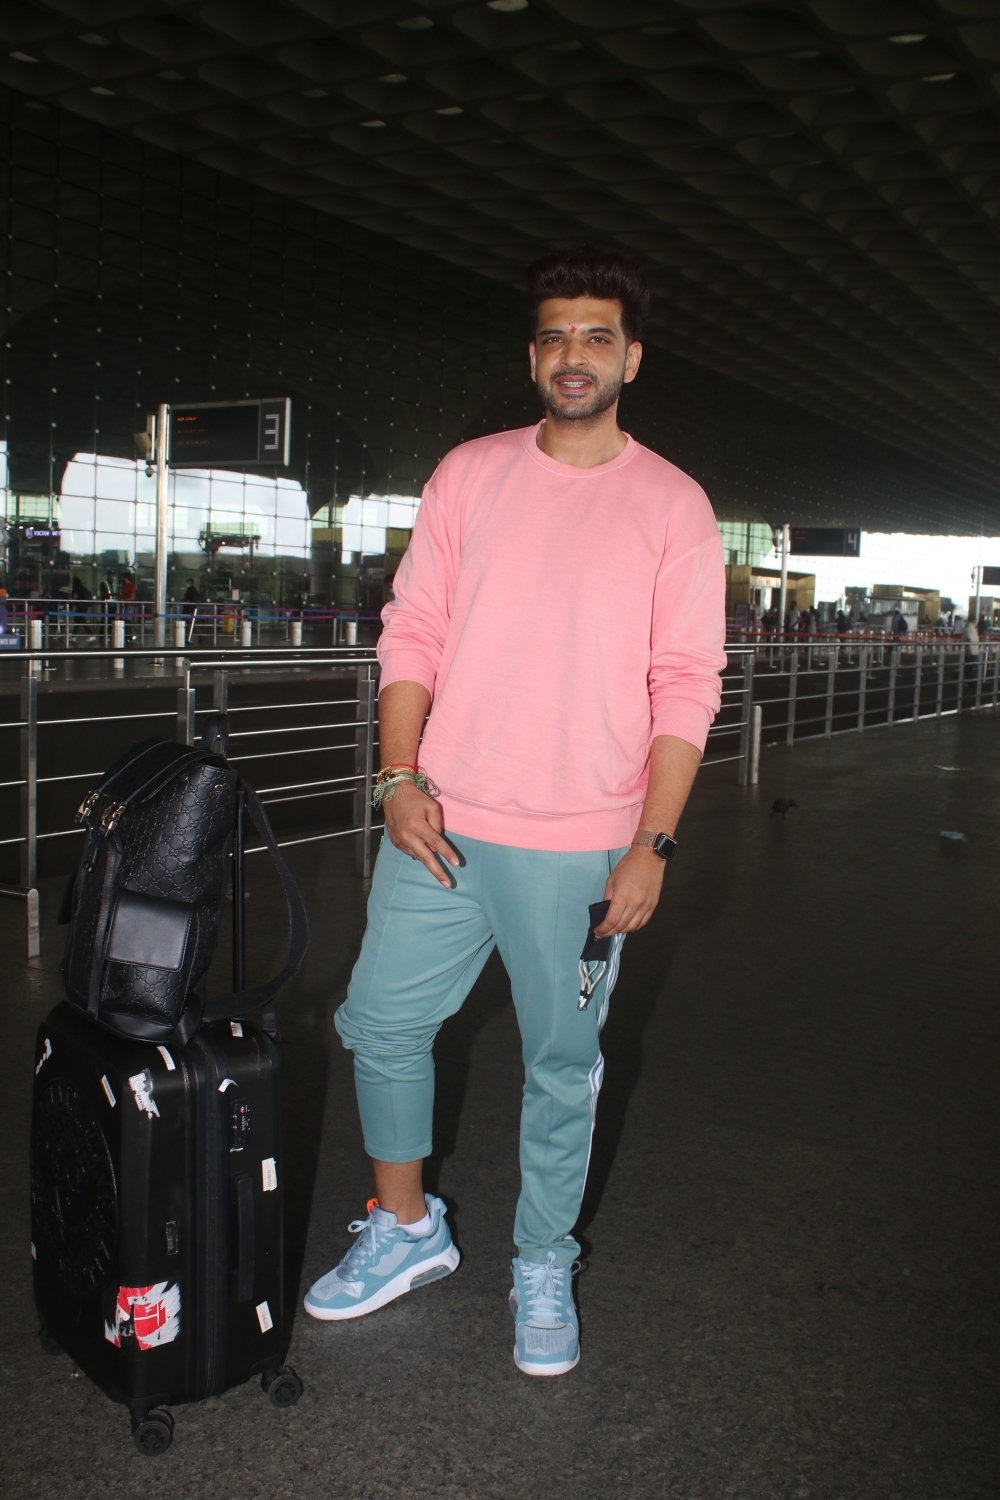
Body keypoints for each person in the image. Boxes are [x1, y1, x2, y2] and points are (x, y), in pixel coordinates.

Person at [303, 246, 726, 1377]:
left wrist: (652, 843)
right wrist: (397, 779)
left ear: (631, 358)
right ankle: (405, 1229)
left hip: (581, 846)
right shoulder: (468, 474)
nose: (572, 354)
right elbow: (413, 631)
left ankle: (543, 1259)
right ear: (533, 356)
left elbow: (686, 684)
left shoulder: (674, 505)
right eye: (553, 336)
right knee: (381, 1025)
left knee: (560, 1064)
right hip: (441, 822)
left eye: (596, 336)